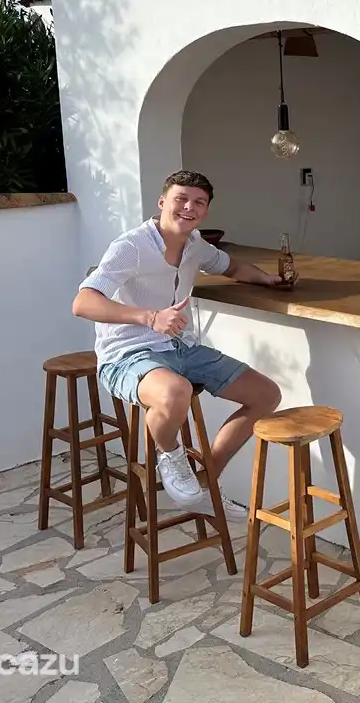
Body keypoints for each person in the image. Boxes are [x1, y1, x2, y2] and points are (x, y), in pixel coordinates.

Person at [73, 170, 285, 520]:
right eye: (180, 199)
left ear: (205, 211)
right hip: (127, 355)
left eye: (198, 202)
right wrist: (150, 317)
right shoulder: (131, 247)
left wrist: (266, 278)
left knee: (265, 395)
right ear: (162, 203)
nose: (189, 207)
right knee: (176, 393)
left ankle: (204, 481)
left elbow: (230, 267)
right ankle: (172, 457)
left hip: (178, 348)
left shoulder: (195, 245)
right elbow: (82, 304)